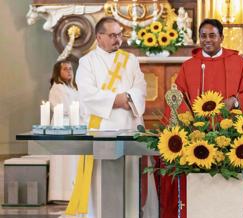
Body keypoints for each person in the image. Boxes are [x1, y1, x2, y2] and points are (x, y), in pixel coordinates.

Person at [160, 18, 243, 218]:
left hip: (230, 135)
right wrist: (187, 122)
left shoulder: (236, 62)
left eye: (212, 35)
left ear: (221, 37)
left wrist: (235, 101)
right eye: (203, 36)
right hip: (196, 137)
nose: (207, 40)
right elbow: (177, 97)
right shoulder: (189, 66)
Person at [68, 17, 157, 217]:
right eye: (112, 35)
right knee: (100, 179)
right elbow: (87, 94)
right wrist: (118, 100)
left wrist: (129, 97)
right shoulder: (87, 62)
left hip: (129, 125)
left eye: (120, 34)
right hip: (101, 127)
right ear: (99, 37)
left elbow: (140, 88)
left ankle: (131, 213)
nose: (118, 39)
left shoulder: (131, 60)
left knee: (131, 175)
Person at [48, 60, 82, 202]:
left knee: (73, 162)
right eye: (65, 69)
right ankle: (62, 194)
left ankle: (73, 191)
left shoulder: (73, 88)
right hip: (62, 125)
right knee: (64, 161)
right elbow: (67, 108)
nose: (69, 71)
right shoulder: (58, 88)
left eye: (71, 69)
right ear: (58, 72)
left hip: (74, 124)